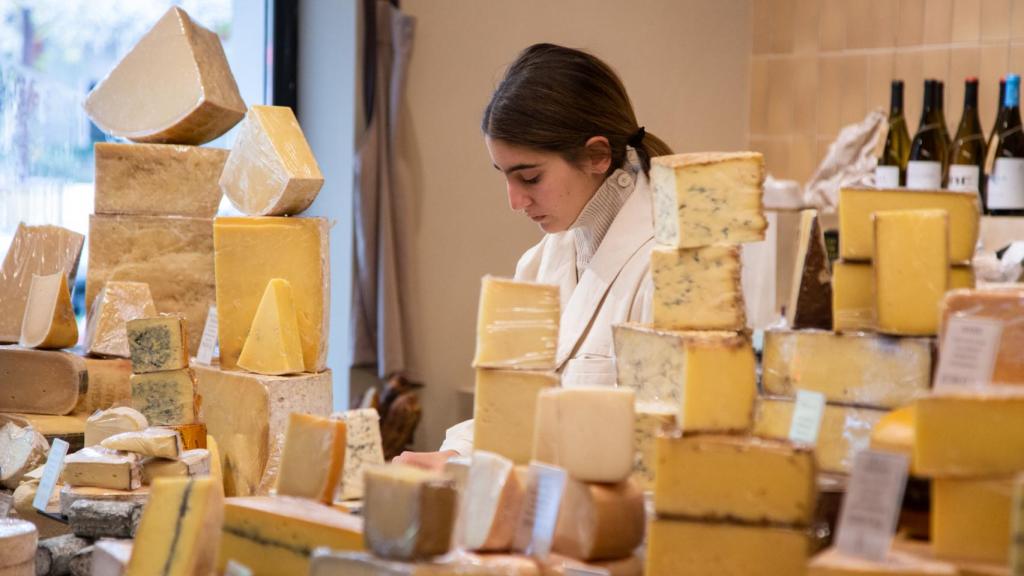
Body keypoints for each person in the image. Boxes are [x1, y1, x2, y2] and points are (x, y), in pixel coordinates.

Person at [393, 43, 673, 470]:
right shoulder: (541, 263)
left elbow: (664, 451)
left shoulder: (669, 265)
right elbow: (510, 414)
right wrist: (453, 457)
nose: (515, 200)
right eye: (504, 177)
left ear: (597, 155)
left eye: (529, 177)